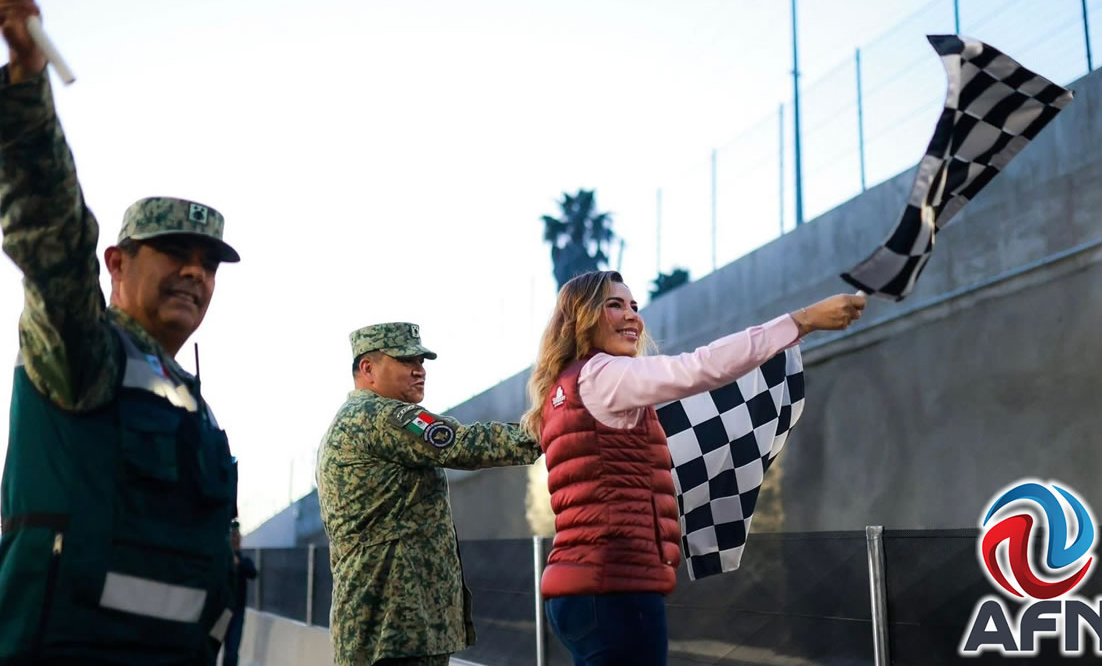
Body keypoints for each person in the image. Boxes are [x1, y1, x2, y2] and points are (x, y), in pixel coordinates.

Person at [0, 0, 241, 665]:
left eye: (208, 263)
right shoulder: (86, 352)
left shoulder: (188, 399)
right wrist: (28, 84)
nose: (194, 272)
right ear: (116, 263)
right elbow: (52, 235)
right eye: (174, 252)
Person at [522, 270, 866, 666]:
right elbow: (701, 367)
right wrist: (802, 321)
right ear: (582, 316)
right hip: (616, 588)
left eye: (634, 306)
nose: (632, 316)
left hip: (577, 590)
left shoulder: (564, 388)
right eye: (614, 305)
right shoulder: (604, 375)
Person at [316, 322, 543, 666]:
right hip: (395, 626)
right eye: (406, 361)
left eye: (421, 361)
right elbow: (463, 444)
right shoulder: (379, 416)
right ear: (368, 368)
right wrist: (548, 429)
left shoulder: (351, 421)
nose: (419, 370)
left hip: (387, 624)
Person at [221, 522, 258, 666]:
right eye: (233, 537)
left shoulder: (244, 561)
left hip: (237, 613)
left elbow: (253, 573)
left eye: (237, 537)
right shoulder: (222, 559)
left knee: (232, 652)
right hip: (222, 612)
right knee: (213, 648)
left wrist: (238, 563)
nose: (236, 540)